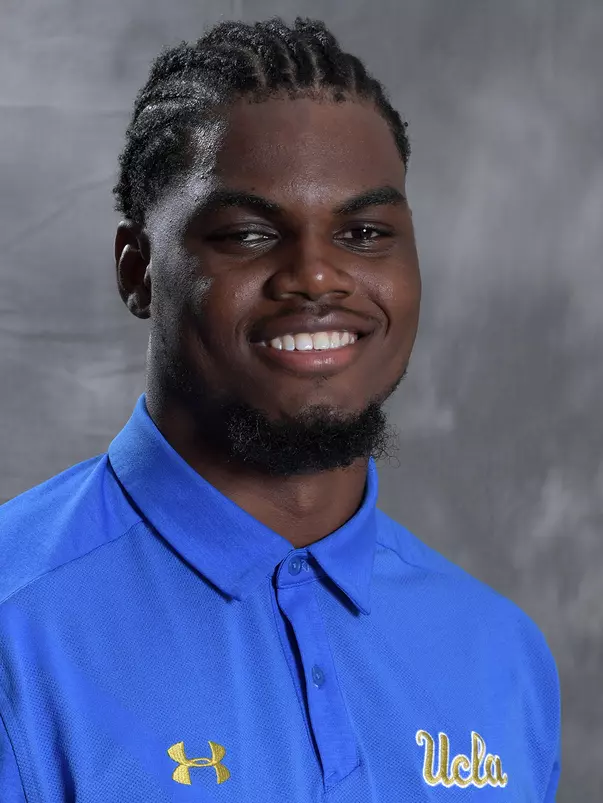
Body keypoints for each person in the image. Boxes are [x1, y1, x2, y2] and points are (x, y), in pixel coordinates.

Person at [0, 16, 560, 802]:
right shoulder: (17, 628)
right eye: (247, 233)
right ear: (137, 270)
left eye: (362, 232)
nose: (316, 277)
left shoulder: (502, 656)